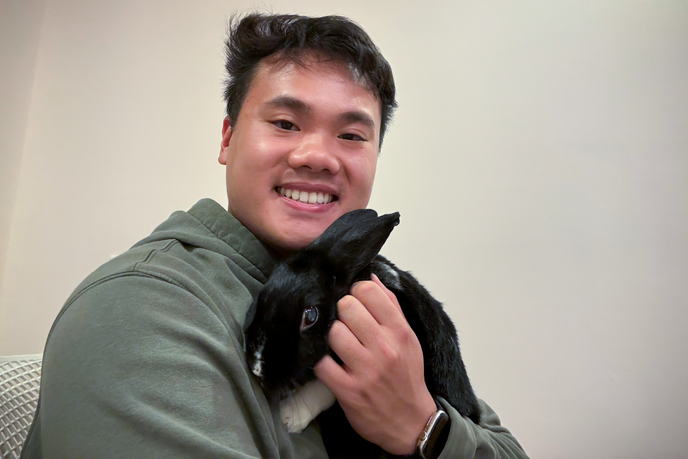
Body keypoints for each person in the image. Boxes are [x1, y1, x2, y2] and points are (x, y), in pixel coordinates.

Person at [21, 13, 528, 459]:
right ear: (227, 137)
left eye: (351, 135)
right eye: (285, 122)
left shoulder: (368, 298)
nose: (316, 155)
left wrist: (424, 427)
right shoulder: (143, 314)